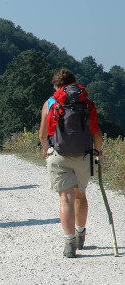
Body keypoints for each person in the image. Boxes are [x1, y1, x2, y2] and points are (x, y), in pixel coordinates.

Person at [38, 68, 102, 258]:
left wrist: (45, 150)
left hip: (59, 154)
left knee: (66, 199)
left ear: (57, 85)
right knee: (80, 196)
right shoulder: (87, 103)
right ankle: (80, 232)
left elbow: (42, 134)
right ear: (73, 83)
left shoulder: (51, 102)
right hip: (83, 156)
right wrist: (97, 153)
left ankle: (69, 243)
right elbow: (96, 133)